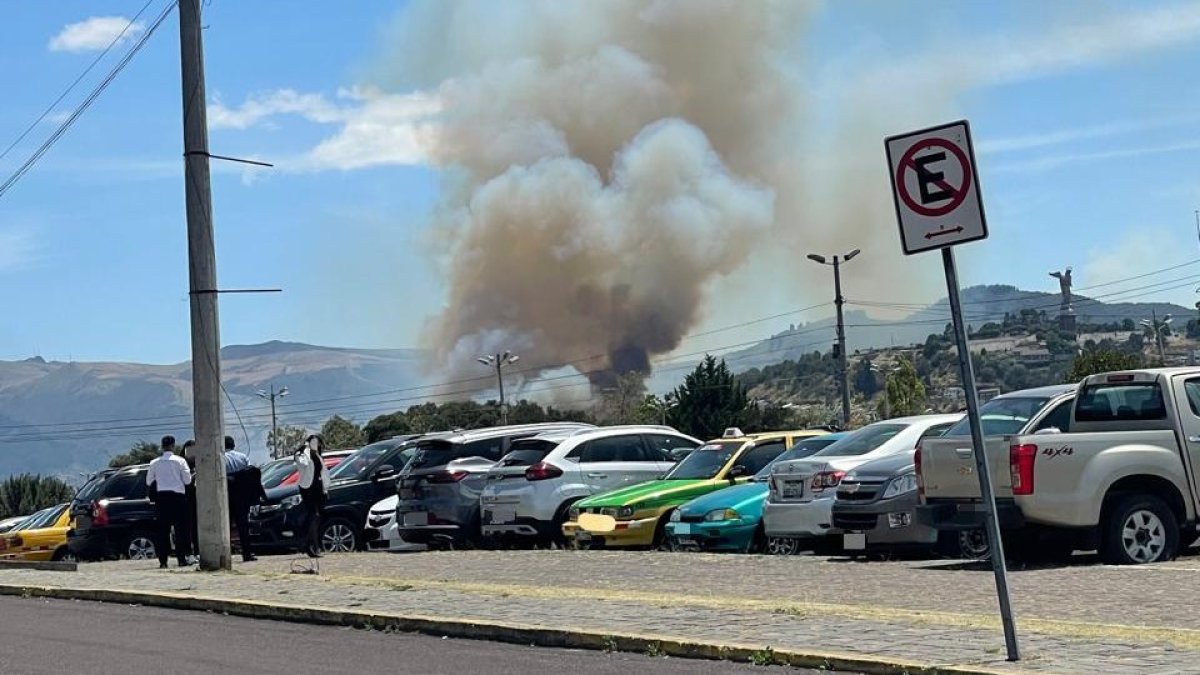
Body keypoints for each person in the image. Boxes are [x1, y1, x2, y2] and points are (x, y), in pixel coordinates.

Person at [146, 435, 193, 568]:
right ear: (173, 446)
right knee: (181, 530)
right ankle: (181, 559)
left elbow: (149, 481)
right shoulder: (180, 461)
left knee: (162, 531)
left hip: (162, 499)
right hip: (178, 498)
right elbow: (188, 480)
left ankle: (163, 561)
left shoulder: (154, 463)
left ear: (162, 446)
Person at [224, 435, 265, 562]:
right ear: (233, 445)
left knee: (225, 525)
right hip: (242, 495)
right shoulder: (242, 457)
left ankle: (224, 553)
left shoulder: (220, 457)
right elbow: (249, 473)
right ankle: (247, 553)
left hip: (226, 494)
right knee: (243, 525)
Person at [295, 434, 328, 558]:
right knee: (314, 514)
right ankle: (311, 545)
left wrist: (325, 488)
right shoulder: (302, 454)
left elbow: (322, 472)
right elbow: (304, 465)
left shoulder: (318, 455)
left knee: (317, 516)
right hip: (308, 487)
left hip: (318, 486)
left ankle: (310, 543)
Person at [180, 439, 200, 559]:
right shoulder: (181, 464)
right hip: (185, 499)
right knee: (186, 528)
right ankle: (188, 552)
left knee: (197, 527)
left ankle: (198, 551)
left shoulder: (201, 463)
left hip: (199, 500)